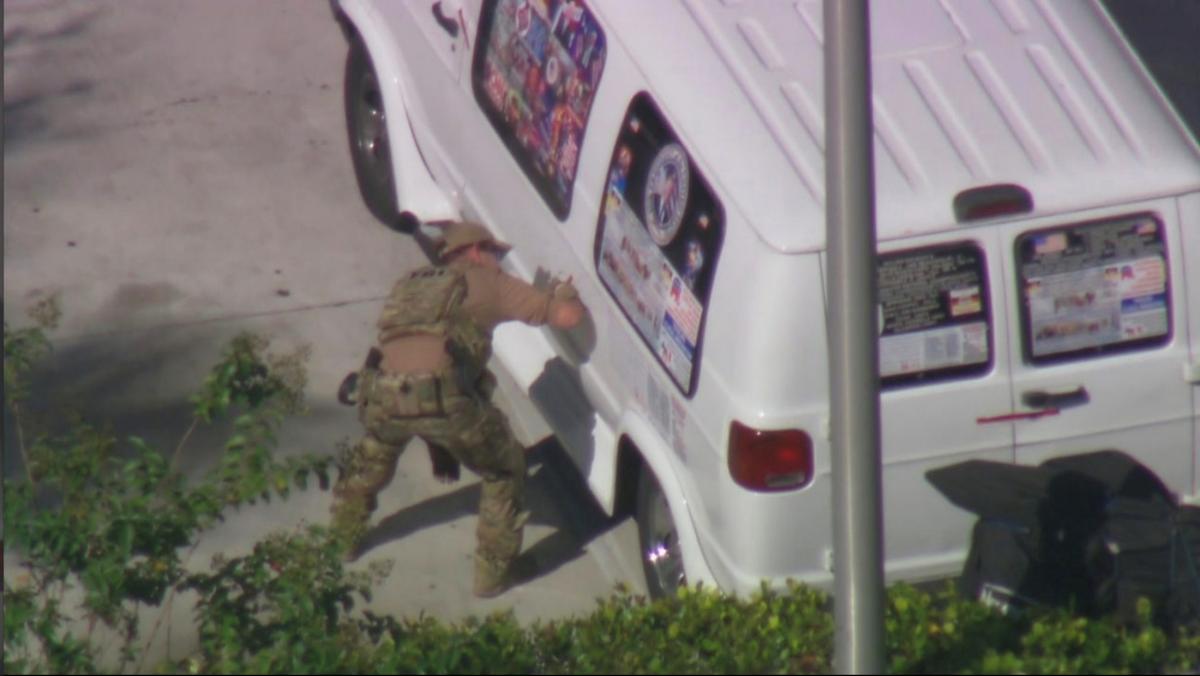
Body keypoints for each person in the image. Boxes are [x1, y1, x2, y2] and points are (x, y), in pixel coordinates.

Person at [330, 220, 587, 598]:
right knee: (504, 469)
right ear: (476, 251)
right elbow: (566, 317)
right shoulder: (489, 282)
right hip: (445, 403)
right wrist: (564, 291)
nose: (499, 262)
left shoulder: (413, 283)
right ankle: (492, 576)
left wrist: (440, 447)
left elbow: (416, 361)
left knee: (371, 462)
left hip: (381, 393)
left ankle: (343, 540)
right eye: (495, 253)